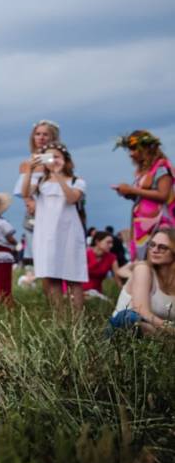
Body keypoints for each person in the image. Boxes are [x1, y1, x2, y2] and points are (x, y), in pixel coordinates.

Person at [22, 143, 88, 311]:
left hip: (69, 233)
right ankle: (59, 318)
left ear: (66, 160)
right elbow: (25, 194)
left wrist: (57, 175)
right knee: (52, 277)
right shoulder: (41, 181)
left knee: (74, 276)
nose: (54, 160)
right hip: (46, 233)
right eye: (49, 157)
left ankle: (77, 319)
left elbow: (72, 198)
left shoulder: (76, 181)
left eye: (57, 157)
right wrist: (29, 170)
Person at [112, 131, 173, 261]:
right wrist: (128, 194)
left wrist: (133, 190)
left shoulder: (161, 166)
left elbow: (163, 195)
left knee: (158, 260)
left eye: (134, 149)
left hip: (159, 223)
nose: (131, 154)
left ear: (146, 148)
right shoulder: (143, 171)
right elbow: (144, 197)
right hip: (142, 225)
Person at [109, 227, 175, 336]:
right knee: (131, 317)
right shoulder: (143, 269)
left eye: (162, 247)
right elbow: (142, 312)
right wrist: (170, 329)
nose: (155, 250)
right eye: (152, 245)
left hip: (156, 332)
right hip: (123, 328)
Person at [15, 120, 61, 264]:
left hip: (53, 207)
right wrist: (29, 201)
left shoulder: (57, 159)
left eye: (45, 134)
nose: (41, 138)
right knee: (38, 255)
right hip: (33, 211)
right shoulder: (26, 162)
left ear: (52, 137)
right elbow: (23, 189)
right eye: (38, 134)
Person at [85, 230, 122, 298]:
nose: (111, 245)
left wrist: (123, 296)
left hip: (96, 294)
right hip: (79, 292)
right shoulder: (85, 254)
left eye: (112, 243)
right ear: (97, 242)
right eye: (108, 242)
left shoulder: (111, 258)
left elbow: (117, 278)